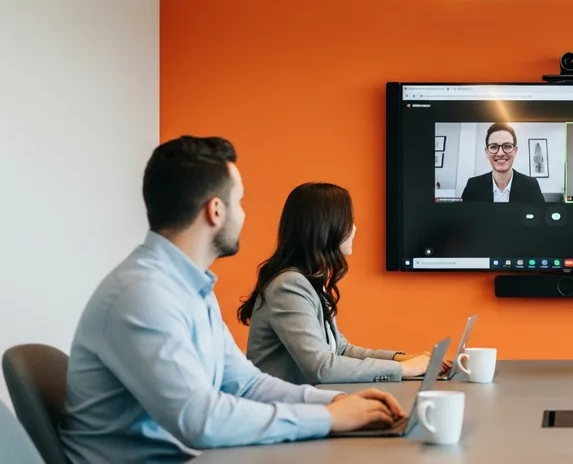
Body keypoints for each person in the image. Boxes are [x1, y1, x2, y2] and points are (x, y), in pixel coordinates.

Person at [59, 136, 404, 464]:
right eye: (239, 202)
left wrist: (338, 401)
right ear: (215, 211)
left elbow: (246, 383)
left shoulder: (189, 289)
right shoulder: (143, 294)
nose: (243, 214)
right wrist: (327, 418)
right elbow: (200, 420)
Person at [239, 182, 451, 384]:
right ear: (327, 227)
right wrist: (404, 370)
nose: (355, 229)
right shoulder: (289, 286)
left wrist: (401, 358)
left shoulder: (311, 280)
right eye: (349, 221)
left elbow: (340, 349)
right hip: (283, 409)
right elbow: (321, 367)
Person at [460, 123, 545, 202]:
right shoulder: (473, 186)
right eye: (493, 147)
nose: (500, 153)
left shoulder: (531, 186)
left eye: (507, 146)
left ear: (515, 151)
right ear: (487, 152)